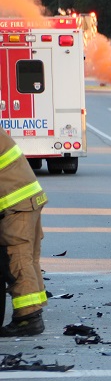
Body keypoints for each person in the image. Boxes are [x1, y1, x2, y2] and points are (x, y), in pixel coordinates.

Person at [0, 131, 48, 337]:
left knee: (17, 258)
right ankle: (34, 309)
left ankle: (28, 318)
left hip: (15, 204)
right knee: (28, 259)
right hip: (27, 199)